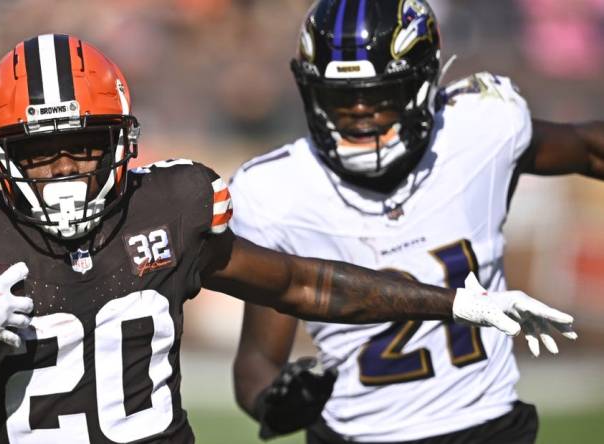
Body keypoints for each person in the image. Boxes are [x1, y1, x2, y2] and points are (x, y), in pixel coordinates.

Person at [0, 34, 575, 444]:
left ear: (122, 141)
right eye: (40, 152)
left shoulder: (170, 205)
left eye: (84, 144)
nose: (66, 170)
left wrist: (455, 303)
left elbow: (302, 283)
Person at [231, 0, 602, 443]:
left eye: (380, 95)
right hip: (354, 435)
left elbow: (587, 147)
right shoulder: (275, 192)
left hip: (485, 427)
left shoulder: (479, 128)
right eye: (341, 97)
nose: (359, 112)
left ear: (424, 85)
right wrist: (274, 403)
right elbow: (256, 363)